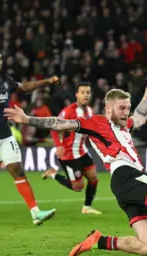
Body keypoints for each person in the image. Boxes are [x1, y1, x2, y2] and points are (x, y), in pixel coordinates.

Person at [4, 73, 147, 256]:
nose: (127, 113)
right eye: (122, 108)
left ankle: (99, 241)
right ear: (108, 109)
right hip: (125, 175)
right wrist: (27, 120)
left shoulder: (125, 126)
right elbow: (60, 123)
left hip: (126, 185)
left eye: (128, 108)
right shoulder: (96, 123)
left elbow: (142, 115)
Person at [0, 49, 60, 227]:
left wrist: (47, 81)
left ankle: (36, 212)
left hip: (4, 135)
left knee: (18, 171)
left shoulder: (5, 80)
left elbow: (24, 87)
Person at [42, 82, 102, 215]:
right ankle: (52, 174)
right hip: (68, 154)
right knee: (78, 187)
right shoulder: (68, 111)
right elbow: (53, 127)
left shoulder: (90, 111)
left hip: (82, 150)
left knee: (93, 178)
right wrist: (59, 145)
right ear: (76, 95)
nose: (85, 95)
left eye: (88, 92)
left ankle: (87, 207)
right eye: (82, 92)